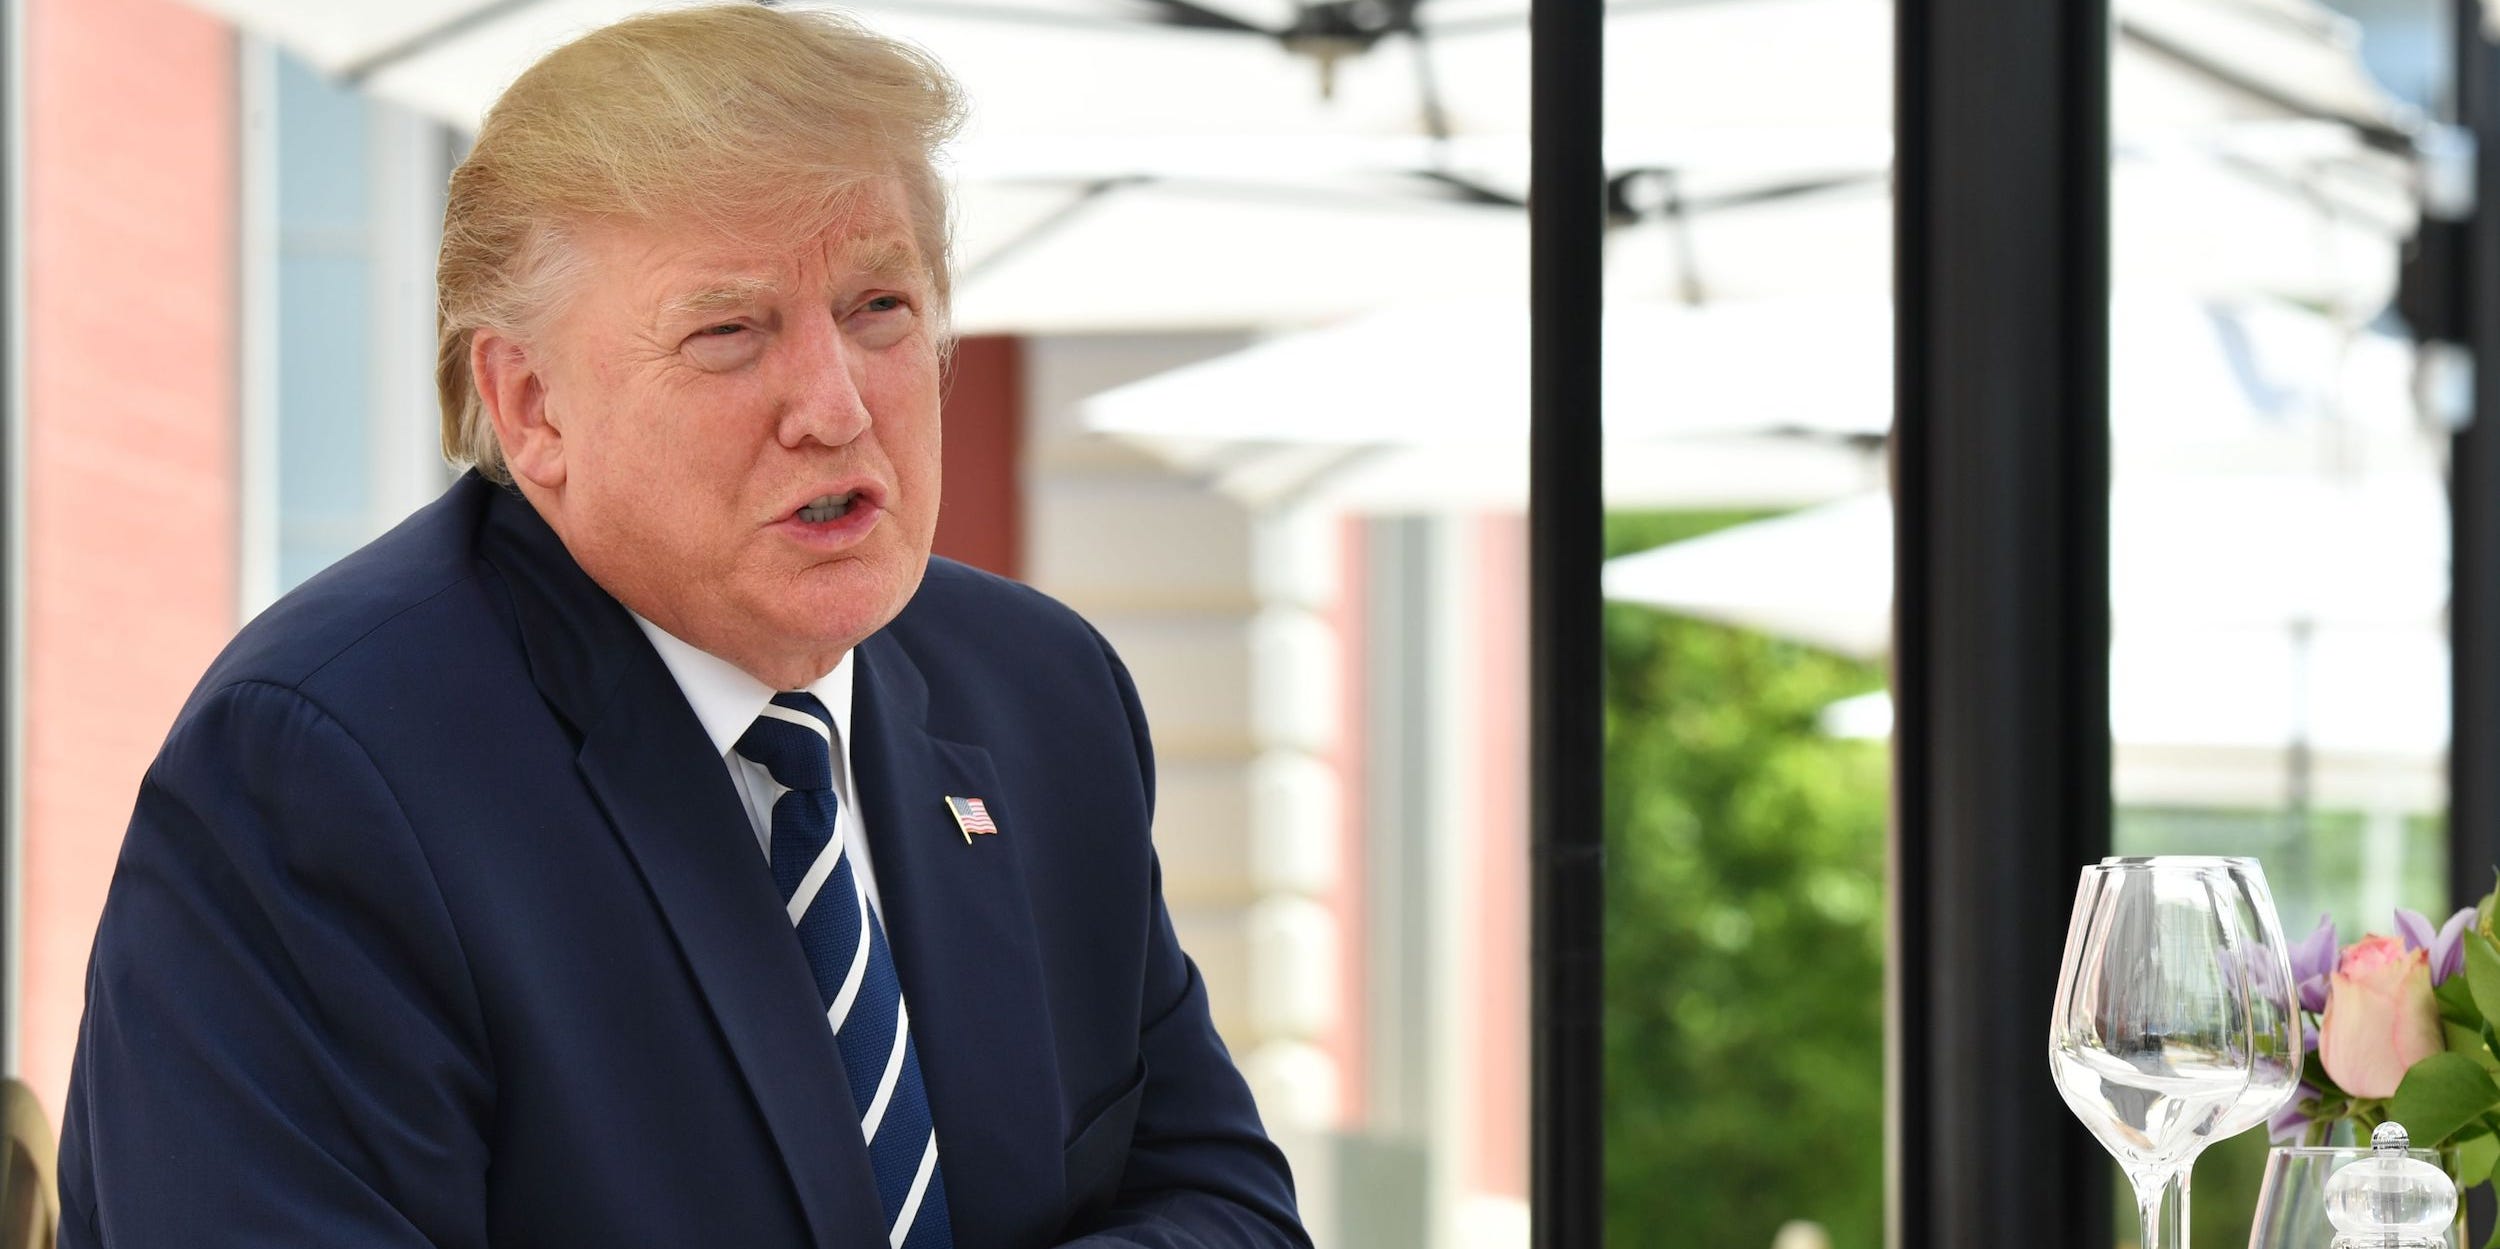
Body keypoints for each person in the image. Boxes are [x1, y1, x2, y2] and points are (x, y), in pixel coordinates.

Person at [54, 7, 1309, 1247]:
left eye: (879, 307)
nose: (834, 406)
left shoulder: (1042, 691)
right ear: (532, 404)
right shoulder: (320, 770)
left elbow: (1229, 1205)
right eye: (730, 332)